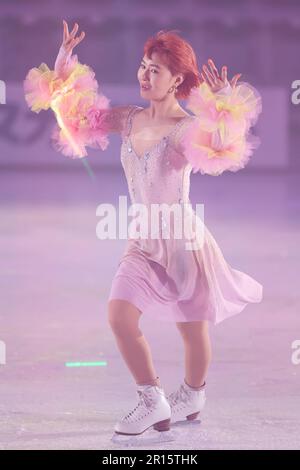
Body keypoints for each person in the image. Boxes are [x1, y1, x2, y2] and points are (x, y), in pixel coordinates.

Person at [24, 20, 263, 437]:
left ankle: (193, 393)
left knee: (192, 327)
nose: (145, 74)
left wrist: (225, 107)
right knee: (119, 316)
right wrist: (62, 66)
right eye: (143, 65)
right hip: (141, 239)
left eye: (156, 69)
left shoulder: (185, 129)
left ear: (177, 81)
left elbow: (222, 144)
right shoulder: (128, 118)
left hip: (182, 242)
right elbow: (74, 117)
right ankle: (152, 400)